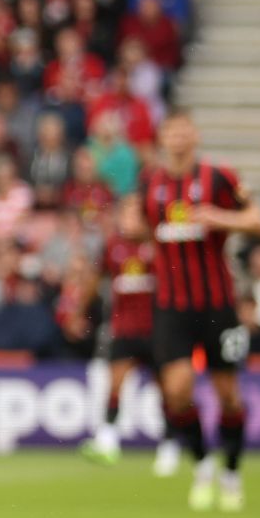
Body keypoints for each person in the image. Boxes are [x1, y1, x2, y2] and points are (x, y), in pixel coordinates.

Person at [141, 111, 260, 511]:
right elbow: (141, 229)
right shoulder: (151, 184)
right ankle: (202, 464)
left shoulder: (220, 177)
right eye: (170, 132)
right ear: (162, 138)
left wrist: (220, 217)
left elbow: (257, 220)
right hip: (172, 307)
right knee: (177, 391)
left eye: (183, 131)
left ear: (194, 136)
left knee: (228, 396)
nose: (177, 138)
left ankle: (231, 472)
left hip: (217, 305)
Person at [81, 196, 172, 471]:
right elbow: (96, 278)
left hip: (157, 328)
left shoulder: (160, 246)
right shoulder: (113, 247)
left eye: (135, 213)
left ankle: (169, 444)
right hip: (123, 329)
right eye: (126, 213)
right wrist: (79, 311)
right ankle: (108, 441)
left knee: (167, 390)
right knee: (116, 383)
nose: (129, 219)